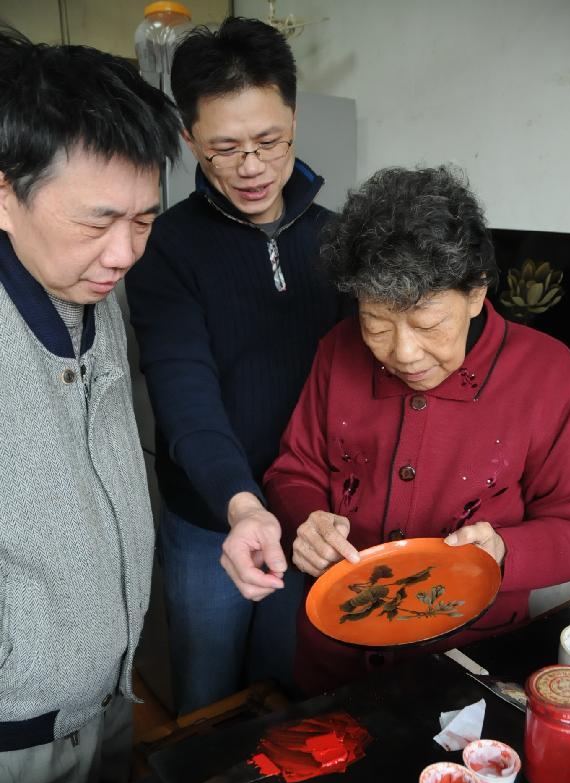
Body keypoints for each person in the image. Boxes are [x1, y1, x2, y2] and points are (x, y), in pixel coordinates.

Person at [264, 165, 570, 697]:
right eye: (377, 324)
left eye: (426, 324)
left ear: (475, 293)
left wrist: (505, 552)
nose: (403, 353)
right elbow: (294, 468)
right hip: (335, 656)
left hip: (469, 661)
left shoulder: (549, 376)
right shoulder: (336, 350)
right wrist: (307, 520)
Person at [125, 17, 349, 712]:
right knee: (207, 698)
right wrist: (242, 503)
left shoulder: (337, 239)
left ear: (292, 119)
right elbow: (183, 391)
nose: (251, 168)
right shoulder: (166, 248)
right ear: (189, 140)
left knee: (288, 687)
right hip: (209, 517)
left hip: (311, 516)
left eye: (268, 142)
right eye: (224, 149)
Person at [0, 28, 180, 783]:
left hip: (106, 694)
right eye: (98, 221)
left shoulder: (91, 288)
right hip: (16, 734)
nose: (122, 254)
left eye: (144, 221)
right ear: (5, 192)